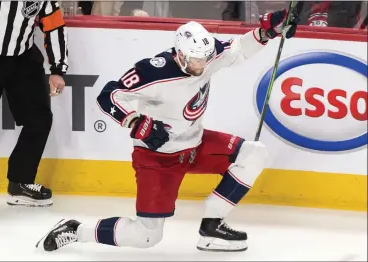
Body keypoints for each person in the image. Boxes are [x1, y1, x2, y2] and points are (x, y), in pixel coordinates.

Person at [36, 9, 299, 252]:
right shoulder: (152, 71)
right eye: (197, 60)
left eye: (207, 59)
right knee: (147, 236)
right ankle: (76, 230)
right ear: (180, 54)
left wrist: (267, 32)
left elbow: (238, 49)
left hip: (194, 147)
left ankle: (212, 228)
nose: (204, 65)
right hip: (157, 158)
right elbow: (108, 95)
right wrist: (137, 124)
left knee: (253, 154)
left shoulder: (207, 57)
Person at [0, 1, 68, 207]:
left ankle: (20, 182)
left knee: (40, 119)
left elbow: (54, 26)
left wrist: (57, 69)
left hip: (22, 59)